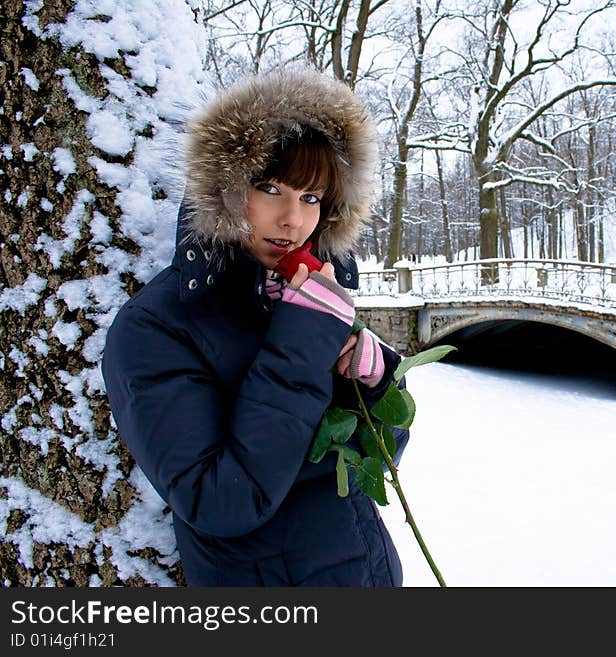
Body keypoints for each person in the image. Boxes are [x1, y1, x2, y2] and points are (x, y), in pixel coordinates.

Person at [101, 70, 408, 586]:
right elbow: (221, 502)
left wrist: (377, 386)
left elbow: (376, 463)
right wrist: (303, 345)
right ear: (224, 188)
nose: (293, 219)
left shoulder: (307, 294)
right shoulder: (157, 327)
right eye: (270, 188)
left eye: (312, 198)